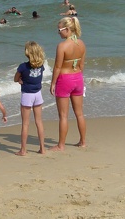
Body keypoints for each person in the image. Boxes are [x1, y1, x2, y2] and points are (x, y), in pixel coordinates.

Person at [49, 17, 86, 151]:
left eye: (60, 30)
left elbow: (57, 67)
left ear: (67, 29)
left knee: (63, 115)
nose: (58, 32)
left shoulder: (62, 46)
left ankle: (61, 145)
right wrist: (78, 78)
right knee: (79, 113)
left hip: (65, 79)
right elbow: (81, 65)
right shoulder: (81, 44)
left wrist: (53, 83)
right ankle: (82, 141)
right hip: (78, 78)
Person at [14, 41, 46, 156]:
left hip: (27, 95)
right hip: (38, 93)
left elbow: (15, 78)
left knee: (25, 124)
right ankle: (42, 148)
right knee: (39, 122)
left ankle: (23, 150)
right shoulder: (41, 65)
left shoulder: (23, 67)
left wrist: (20, 80)